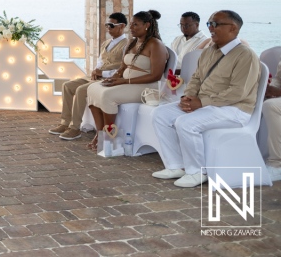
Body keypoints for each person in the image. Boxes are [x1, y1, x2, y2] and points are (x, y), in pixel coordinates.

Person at [152, 10, 260, 188]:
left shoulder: (245, 55)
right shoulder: (209, 51)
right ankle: (175, 166)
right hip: (204, 103)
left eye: (216, 24)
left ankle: (197, 171)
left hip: (235, 109)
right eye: (209, 24)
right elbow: (196, 78)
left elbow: (238, 93)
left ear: (233, 28)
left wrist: (201, 103)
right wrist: (188, 97)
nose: (210, 28)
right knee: (160, 114)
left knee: (185, 123)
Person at [87, 10, 168, 150]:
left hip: (147, 86)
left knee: (107, 95)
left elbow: (156, 75)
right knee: (92, 88)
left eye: (135, 25)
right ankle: (100, 133)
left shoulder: (155, 45)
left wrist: (124, 81)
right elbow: (122, 69)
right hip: (127, 82)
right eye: (131, 24)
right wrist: (113, 79)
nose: (131, 28)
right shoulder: (132, 43)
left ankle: (110, 137)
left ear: (147, 25)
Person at [49, 13, 128, 141]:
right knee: (67, 86)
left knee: (81, 90)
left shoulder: (126, 45)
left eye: (111, 25)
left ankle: (75, 128)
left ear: (122, 26)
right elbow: (100, 61)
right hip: (96, 76)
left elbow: (123, 69)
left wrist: (103, 74)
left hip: (109, 79)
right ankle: (65, 123)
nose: (108, 28)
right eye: (107, 25)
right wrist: (95, 71)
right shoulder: (106, 43)